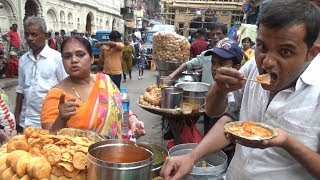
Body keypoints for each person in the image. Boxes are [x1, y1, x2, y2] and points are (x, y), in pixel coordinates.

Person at [161, 0, 320, 179]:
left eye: (285, 52)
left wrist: (288, 142)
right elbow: (225, 117)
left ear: (312, 53)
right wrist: (191, 157)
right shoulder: (252, 66)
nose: (267, 62)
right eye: (262, 47)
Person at [41, 36, 145, 139]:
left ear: (91, 58)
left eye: (80, 55)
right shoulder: (56, 95)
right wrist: (61, 119)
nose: (74, 60)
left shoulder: (104, 80)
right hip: (79, 154)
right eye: (67, 56)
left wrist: (132, 120)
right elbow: (47, 140)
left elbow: (118, 107)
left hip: (113, 152)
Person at [167, 22, 228, 135]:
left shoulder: (232, 55)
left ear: (226, 34)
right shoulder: (206, 54)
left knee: (222, 132)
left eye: (218, 34)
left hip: (226, 102)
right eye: (212, 34)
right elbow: (188, 63)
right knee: (208, 131)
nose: (215, 37)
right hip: (208, 99)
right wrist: (172, 75)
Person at [14, 16, 68, 130]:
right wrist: (17, 117)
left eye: (34, 35)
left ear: (45, 36)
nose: (29, 38)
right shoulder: (23, 60)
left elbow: (67, 89)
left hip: (48, 123)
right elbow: (20, 90)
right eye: (27, 34)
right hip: (25, 122)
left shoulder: (57, 59)